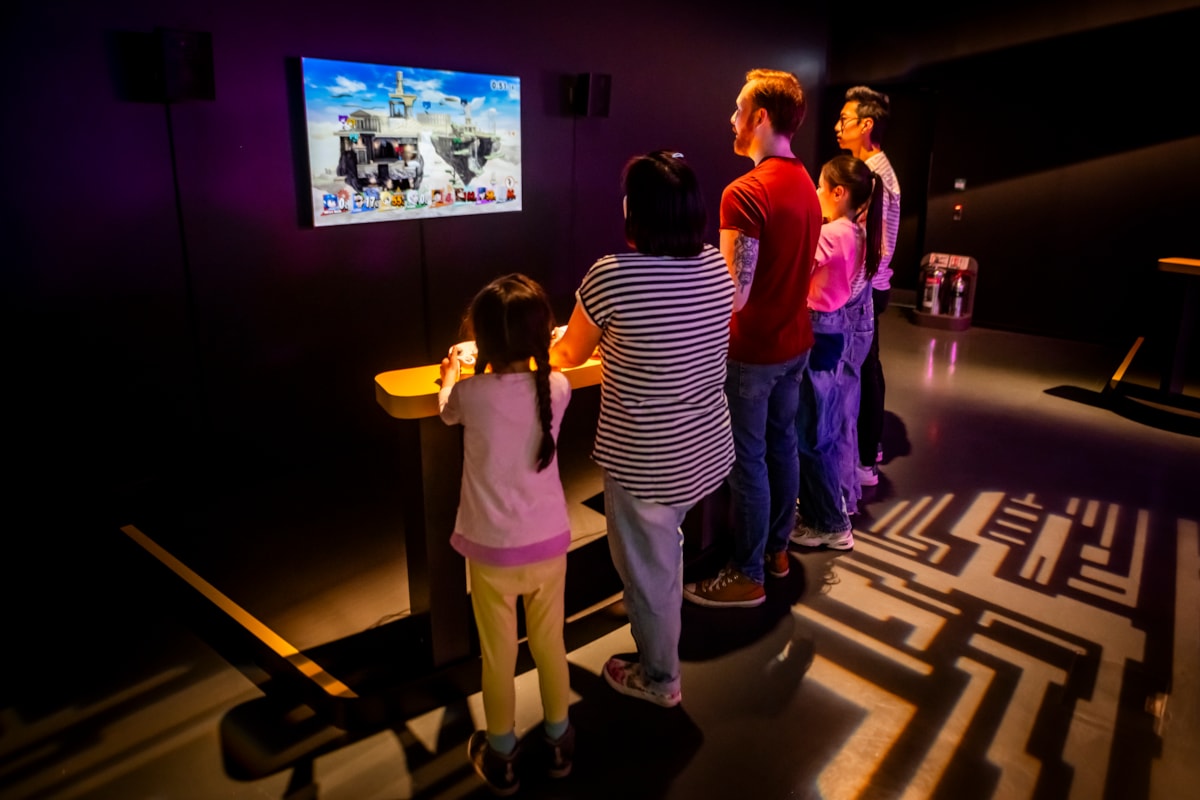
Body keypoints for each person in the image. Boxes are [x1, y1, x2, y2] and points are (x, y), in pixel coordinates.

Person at [551, 150, 734, 707]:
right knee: (666, 554)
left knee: (649, 576)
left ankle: (660, 679)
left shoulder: (613, 275)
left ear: (634, 210)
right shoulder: (713, 265)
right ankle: (662, 650)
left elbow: (568, 353)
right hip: (705, 447)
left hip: (647, 460)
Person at [682, 68, 822, 608]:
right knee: (783, 447)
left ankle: (747, 574)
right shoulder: (807, 183)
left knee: (748, 462)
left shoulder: (743, 192)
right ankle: (776, 552)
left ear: (760, 117)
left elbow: (732, 295)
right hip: (795, 343)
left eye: (739, 110)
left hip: (752, 352)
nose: (732, 119)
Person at [438, 273, 574, 795]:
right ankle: (560, 742)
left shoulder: (471, 394)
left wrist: (453, 369)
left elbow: (446, 407)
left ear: (483, 344)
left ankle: (502, 754)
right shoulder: (557, 388)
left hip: (491, 551)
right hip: (549, 545)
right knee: (550, 645)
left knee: (499, 656)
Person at [791, 155, 883, 550]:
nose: (814, 193)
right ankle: (827, 512)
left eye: (819, 186)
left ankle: (829, 522)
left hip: (819, 326)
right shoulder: (858, 232)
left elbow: (794, 270)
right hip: (834, 328)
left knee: (812, 433)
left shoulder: (833, 234)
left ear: (838, 193)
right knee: (822, 426)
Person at [836, 86, 901, 488]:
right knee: (867, 366)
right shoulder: (878, 169)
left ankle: (863, 457)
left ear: (866, 124)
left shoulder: (873, 176)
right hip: (871, 285)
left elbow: (869, 244)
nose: (837, 127)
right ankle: (868, 451)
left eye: (844, 120)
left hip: (864, 288)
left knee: (862, 369)